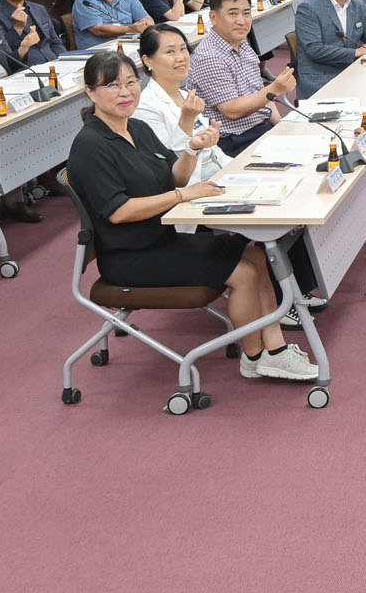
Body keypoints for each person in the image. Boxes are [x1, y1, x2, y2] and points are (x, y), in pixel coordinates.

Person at [66, 51, 319, 383]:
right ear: (90, 92)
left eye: (131, 83)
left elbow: (175, 177)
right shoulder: (90, 145)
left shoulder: (137, 128)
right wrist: (183, 196)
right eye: (112, 86)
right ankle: (256, 356)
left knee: (257, 255)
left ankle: (275, 349)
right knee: (244, 273)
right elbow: (119, 212)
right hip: (130, 256)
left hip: (162, 239)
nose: (125, 92)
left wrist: (193, 149)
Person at [193, 0, 299, 156]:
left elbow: (263, 96)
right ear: (213, 17)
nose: (241, 21)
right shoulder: (209, 56)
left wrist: (281, 128)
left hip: (260, 128)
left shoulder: (243, 46)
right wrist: (275, 88)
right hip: (234, 141)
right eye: (233, 14)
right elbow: (231, 110)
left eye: (246, 13)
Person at [133, 24, 229, 187]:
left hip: (218, 171)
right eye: (170, 52)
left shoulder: (186, 95)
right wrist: (187, 119)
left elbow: (214, 153)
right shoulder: (145, 106)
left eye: (183, 49)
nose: (181, 57)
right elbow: (170, 165)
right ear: (148, 60)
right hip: (191, 185)